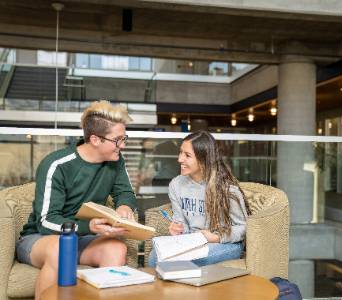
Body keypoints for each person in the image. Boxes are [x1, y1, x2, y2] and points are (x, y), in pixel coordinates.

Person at [16, 100, 137, 300]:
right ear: (96, 140)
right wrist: (88, 226)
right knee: (60, 247)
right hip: (39, 238)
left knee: (117, 248)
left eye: (124, 138)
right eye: (117, 140)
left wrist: (125, 205)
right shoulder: (57, 164)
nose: (122, 145)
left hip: (82, 239)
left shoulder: (115, 161)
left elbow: (125, 192)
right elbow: (45, 221)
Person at [148, 130, 250, 267]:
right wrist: (178, 229)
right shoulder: (176, 185)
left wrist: (216, 237)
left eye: (187, 155)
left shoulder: (227, 189)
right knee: (154, 257)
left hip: (224, 243)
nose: (180, 159)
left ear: (203, 159)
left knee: (197, 259)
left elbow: (244, 227)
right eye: (180, 152)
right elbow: (181, 223)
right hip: (193, 242)